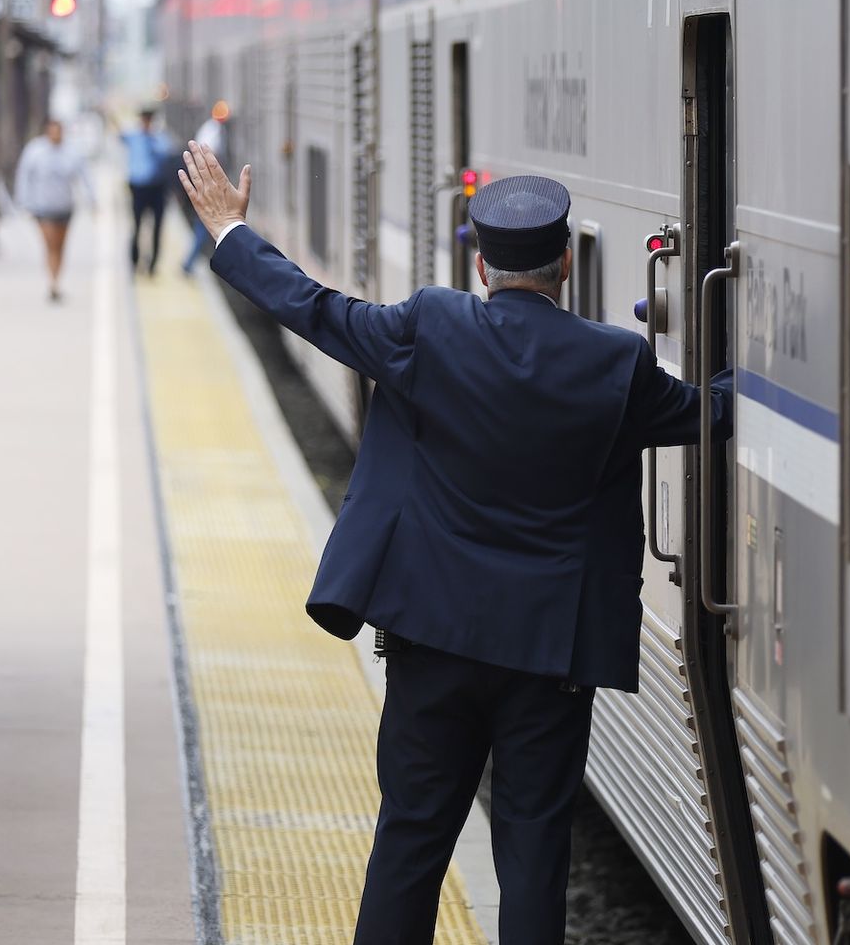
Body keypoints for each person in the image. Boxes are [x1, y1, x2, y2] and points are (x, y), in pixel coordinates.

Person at [175, 142, 733, 944]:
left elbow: (313, 307)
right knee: (535, 853)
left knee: (411, 840)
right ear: (566, 264)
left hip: (431, 640)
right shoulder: (617, 364)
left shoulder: (427, 329)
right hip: (548, 656)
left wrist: (230, 229)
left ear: (482, 266)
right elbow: (707, 413)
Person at [14, 118, 94, 302]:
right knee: (50, 243)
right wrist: (23, 202)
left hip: (64, 206)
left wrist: (93, 200)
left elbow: (84, 176)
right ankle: (52, 283)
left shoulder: (72, 152)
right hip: (42, 207)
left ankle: (56, 279)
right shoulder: (35, 151)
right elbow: (24, 176)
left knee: (59, 245)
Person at [120, 108, 174, 274]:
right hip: (138, 187)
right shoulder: (133, 136)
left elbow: (167, 154)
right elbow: (119, 134)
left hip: (157, 187)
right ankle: (134, 260)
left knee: (157, 227)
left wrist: (152, 140)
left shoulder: (160, 138)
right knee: (136, 224)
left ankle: (153, 264)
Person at [182, 102, 229, 275]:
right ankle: (188, 264)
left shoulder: (211, 128)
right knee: (204, 226)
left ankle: (190, 263)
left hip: (207, 185)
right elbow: (210, 155)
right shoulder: (213, 130)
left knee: (205, 227)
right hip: (208, 187)